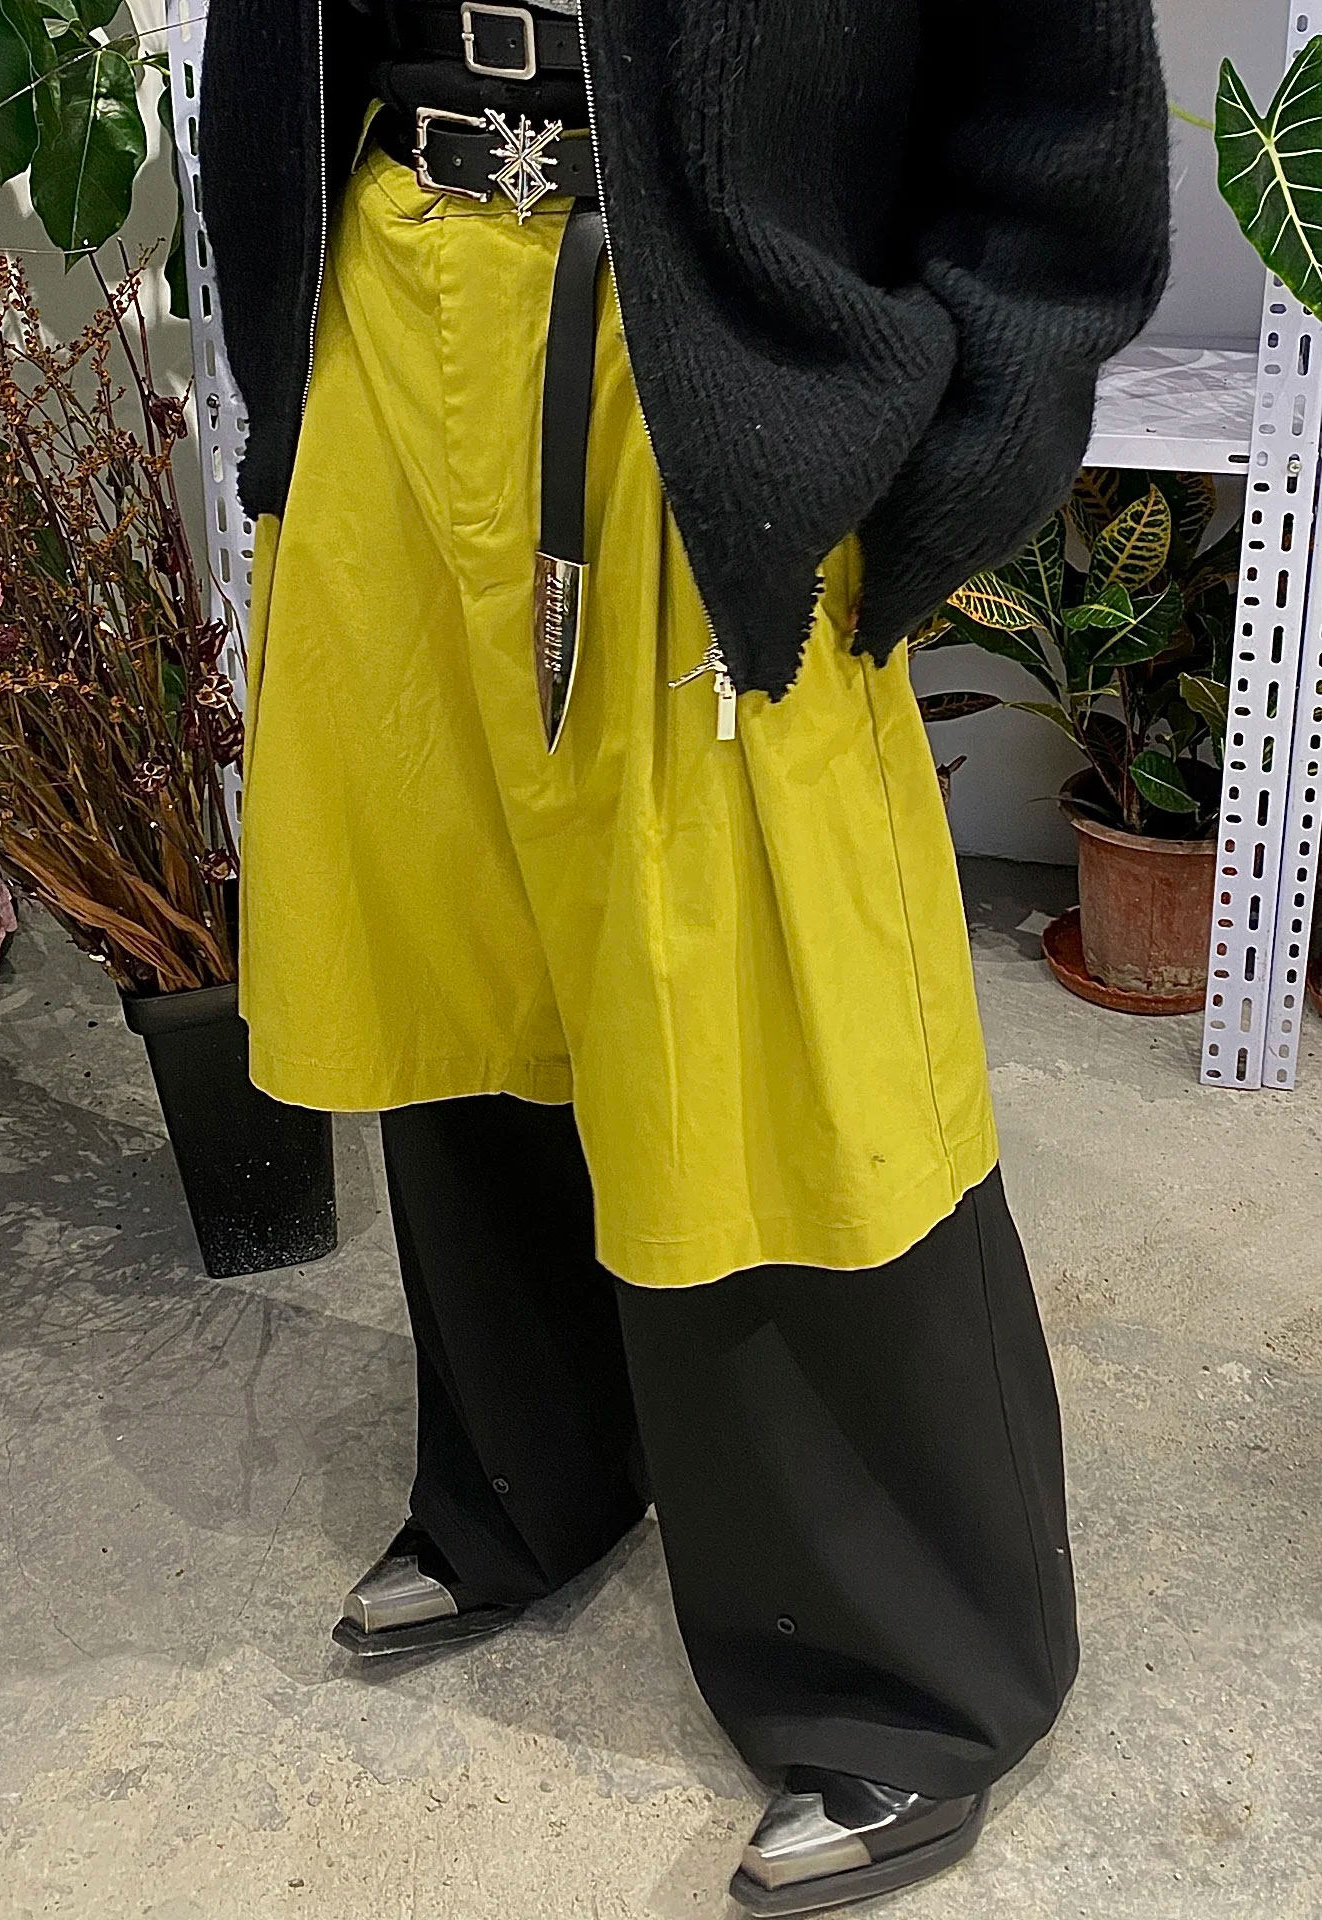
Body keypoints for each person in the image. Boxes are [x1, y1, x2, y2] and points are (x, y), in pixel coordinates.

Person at [199, 3, 1170, 1908]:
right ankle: (528, 1479)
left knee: (778, 1022)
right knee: (456, 954)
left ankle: (902, 1668)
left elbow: (1053, 83)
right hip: (391, 275)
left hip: (704, 357)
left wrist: (974, 411)